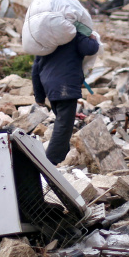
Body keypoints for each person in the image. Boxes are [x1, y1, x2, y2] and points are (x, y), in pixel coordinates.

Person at [33, 29, 100, 164]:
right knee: (64, 125)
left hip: (49, 85)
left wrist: (39, 96)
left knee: (62, 121)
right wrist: (92, 38)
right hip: (66, 85)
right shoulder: (73, 34)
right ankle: (51, 161)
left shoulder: (47, 39)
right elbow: (90, 48)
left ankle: (61, 156)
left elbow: (35, 68)